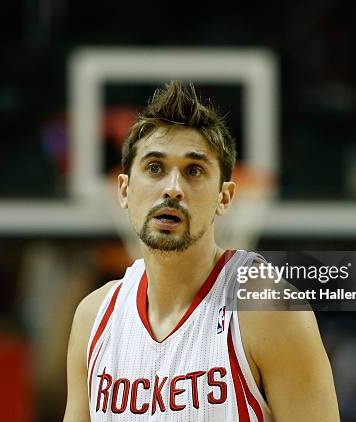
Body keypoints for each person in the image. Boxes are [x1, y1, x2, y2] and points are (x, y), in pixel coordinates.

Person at [63, 81, 339, 421]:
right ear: (123, 190)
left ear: (224, 197)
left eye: (194, 171)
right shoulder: (94, 317)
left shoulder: (267, 310)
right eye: (154, 168)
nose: (173, 188)